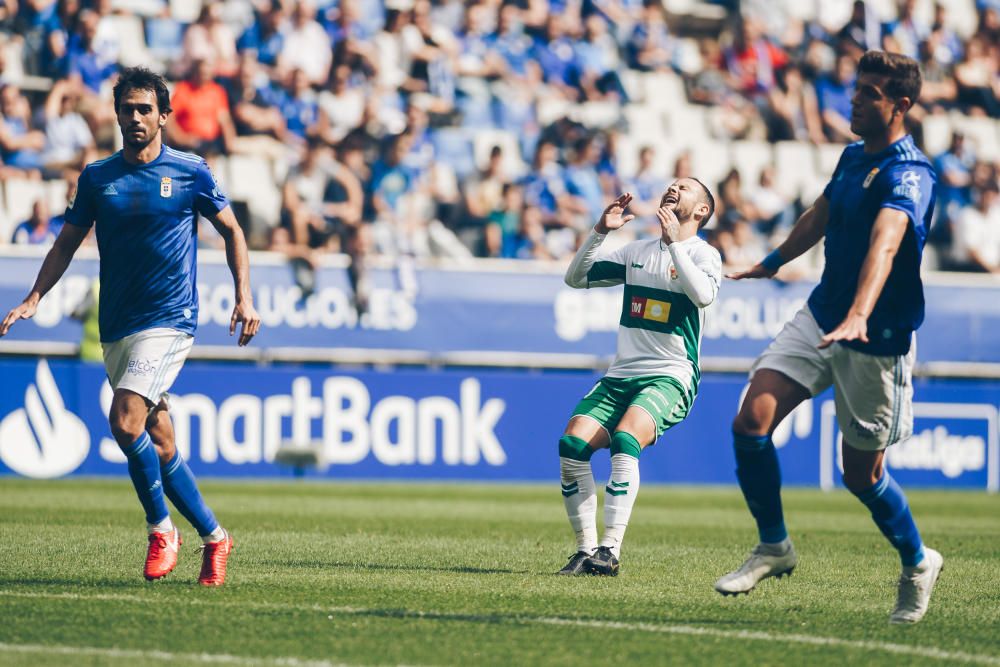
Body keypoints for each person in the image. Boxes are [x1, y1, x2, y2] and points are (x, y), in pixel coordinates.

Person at [0, 67, 261, 586]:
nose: (136, 117)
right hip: (118, 326)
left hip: (169, 320)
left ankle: (161, 529)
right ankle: (215, 536)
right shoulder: (98, 178)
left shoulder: (190, 171)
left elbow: (232, 231)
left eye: (146, 109)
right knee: (160, 442)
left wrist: (243, 296)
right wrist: (34, 296)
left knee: (124, 421)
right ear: (116, 114)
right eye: (128, 109)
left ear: (164, 116)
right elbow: (66, 242)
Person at [714, 51, 942, 624]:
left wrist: (862, 313)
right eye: (857, 89)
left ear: (901, 106)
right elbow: (821, 214)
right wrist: (772, 260)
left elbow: (886, 245)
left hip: (875, 337)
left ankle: (917, 561)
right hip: (821, 316)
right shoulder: (850, 156)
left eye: (870, 93)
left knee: (858, 476)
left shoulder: (909, 174)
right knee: (750, 421)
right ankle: (774, 547)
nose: (855, 100)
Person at [557, 180, 721, 576]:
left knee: (626, 438)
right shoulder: (637, 252)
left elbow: (701, 296)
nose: (673, 188)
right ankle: (585, 550)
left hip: (671, 376)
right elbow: (576, 278)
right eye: (671, 184)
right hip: (621, 375)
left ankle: (609, 550)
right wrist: (600, 231)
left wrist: (675, 245)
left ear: (701, 212)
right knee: (572, 445)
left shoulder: (705, 255)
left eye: (684, 188)